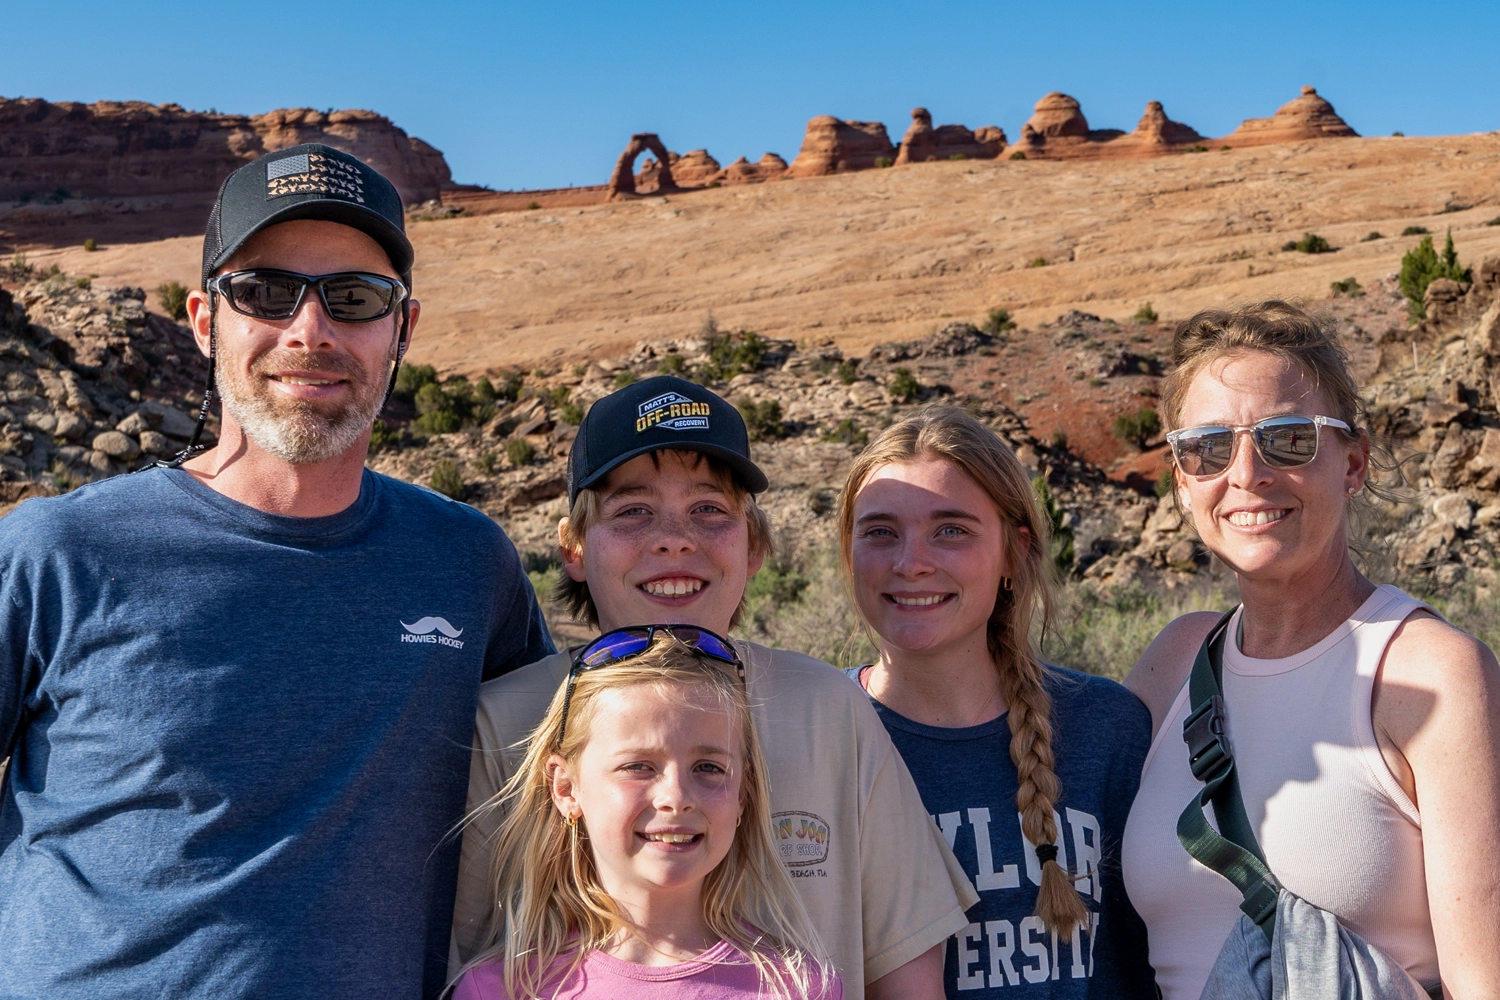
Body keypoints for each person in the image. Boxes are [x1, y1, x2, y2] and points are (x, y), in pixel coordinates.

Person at [0, 145, 553, 999]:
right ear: (202, 319)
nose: (311, 332)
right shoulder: (59, 552)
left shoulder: (466, 564)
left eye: (354, 298)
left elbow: (582, 783)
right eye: (265, 292)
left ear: (402, 328)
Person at [451, 376, 978, 1000]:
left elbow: (907, 974)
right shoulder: (503, 721)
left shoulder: (826, 708)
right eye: (633, 511)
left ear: (752, 545)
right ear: (572, 546)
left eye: (709, 509)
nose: (676, 538)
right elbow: (463, 952)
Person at [1121, 301, 1500, 999]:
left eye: (1287, 439)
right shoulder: (1175, 661)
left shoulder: (1433, 673)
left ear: (1351, 462)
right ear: (1181, 479)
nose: (1247, 474)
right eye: (1207, 447)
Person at [837, 407, 1157, 998]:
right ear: (848, 551)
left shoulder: (1109, 728)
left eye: (951, 529)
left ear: (1014, 552)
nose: (911, 562)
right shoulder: (817, 737)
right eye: (880, 531)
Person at [452, 632, 840, 1000]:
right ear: (566, 789)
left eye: (708, 767)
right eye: (638, 766)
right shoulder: (501, 989)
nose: (676, 798)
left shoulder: (799, 987)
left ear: (743, 793)